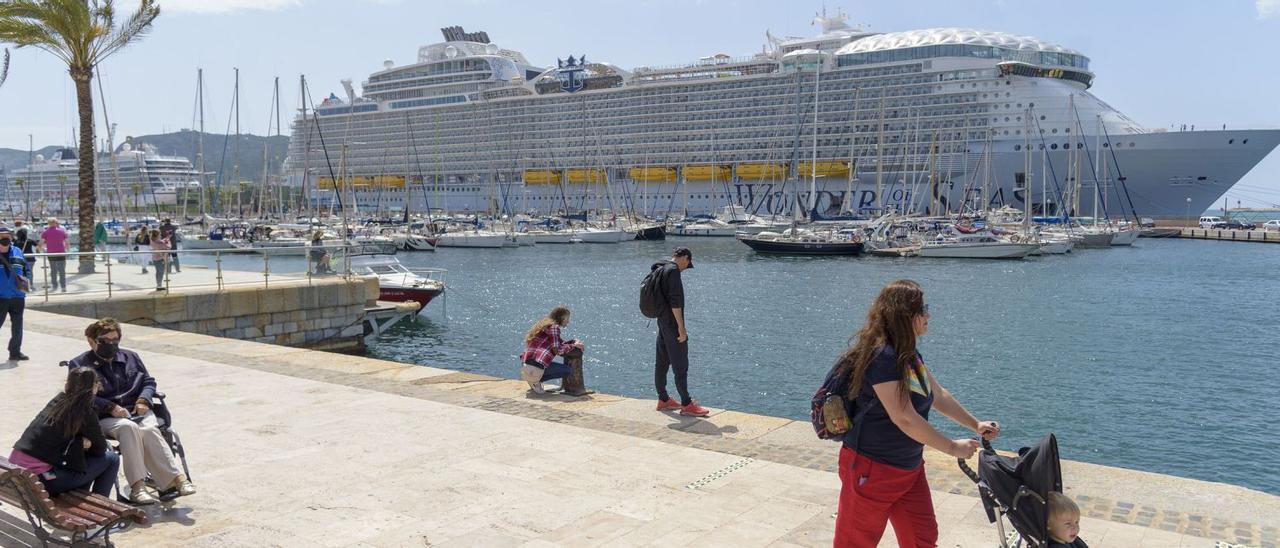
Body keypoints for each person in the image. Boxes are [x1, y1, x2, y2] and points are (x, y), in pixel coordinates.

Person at [829, 279, 1001, 547]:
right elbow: (904, 416)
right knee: (855, 542)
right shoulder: (882, 357)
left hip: (908, 468)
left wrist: (974, 424)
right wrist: (952, 447)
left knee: (922, 538)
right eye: (923, 309)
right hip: (872, 468)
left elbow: (938, 395)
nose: (928, 315)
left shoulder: (908, 354)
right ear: (904, 316)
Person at [67, 318, 196, 504]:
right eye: (104, 341)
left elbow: (148, 382)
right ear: (91, 341)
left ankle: (177, 480)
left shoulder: (131, 357)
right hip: (104, 417)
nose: (110, 345)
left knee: (148, 429)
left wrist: (144, 399)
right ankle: (138, 487)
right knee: (129, 428)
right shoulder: (80, 364)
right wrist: (110, 406)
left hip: (137, 410)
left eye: (115, 341)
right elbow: (80, 395)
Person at [9, 367, 120, 497]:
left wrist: (78, 442)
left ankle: (84, 501)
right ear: (94, 388)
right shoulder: (84, 411)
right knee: (112, 458)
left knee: (83, 461)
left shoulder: (57, 401)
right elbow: (100, 449)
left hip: (16, 472)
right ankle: (102, 506)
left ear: (67, 384)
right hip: (42, 480)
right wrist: (87, 444)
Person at [651, 247, 709, 417]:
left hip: (661, 322)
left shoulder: (660, 268)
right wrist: (682, 329)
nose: (686, 267)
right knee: (680, 364)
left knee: (661, 361)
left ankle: (663, 399)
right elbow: (675, 303)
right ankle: (686, 403)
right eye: (688, 263)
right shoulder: (674, 271)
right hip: (672, 324)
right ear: (684, 257)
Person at [519, 306, 584, 394]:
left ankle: (533, 379)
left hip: (526, 366)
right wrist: (574, 346)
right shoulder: (554, 327)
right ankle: (536, 380)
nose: (568, 321)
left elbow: (559, 343)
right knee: (568, 370)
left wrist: (573, 343)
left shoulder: (544, 326)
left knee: (544, 367)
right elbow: (558, 350)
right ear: (561, 317)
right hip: (535, 368)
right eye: (567, 318)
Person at [0, 227, 28, 361]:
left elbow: (26, 269)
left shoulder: (17, 251)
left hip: (17, 296)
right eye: (2, 236)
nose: (6, 238)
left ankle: (15, 352)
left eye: (8, 236)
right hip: (1, 296)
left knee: (17, 326)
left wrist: (27, 283)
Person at [37, 218, 69, 292]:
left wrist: (42, 249)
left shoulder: (45, 232)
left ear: (48, 223)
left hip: (51, 253)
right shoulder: (62, 231)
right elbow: (67, 242)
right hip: (61, 252)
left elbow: (40, 243)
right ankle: (63, 287)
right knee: (62, 270)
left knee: (53, 270)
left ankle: (54, 286)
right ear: (56, 223)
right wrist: (67, 251)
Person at [15, 223, 37, 291]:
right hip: (30, 259)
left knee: (21, 272)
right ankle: (30, 285)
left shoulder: (16, 241)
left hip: (20, 259)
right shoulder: (29, 241)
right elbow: (37, 245)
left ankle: (22, 286)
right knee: (30, 272)